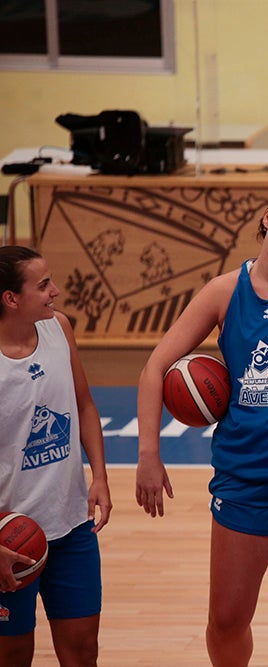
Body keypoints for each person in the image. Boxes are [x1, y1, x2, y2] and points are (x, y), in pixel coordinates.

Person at [134, 184, 268, 667]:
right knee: (227, 618)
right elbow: (155, 367)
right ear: (267, 219)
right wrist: (149, 455)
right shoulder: (222, 292)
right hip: (244, 469)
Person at [0, 245, 112, 667]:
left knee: (83, 651)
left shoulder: (58, 328)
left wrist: (99, 475)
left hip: (70, 525)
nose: (56, 291)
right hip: (9, 538)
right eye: (43, 285)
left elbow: (83, 404)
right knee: (13, 655)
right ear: (11, 299)